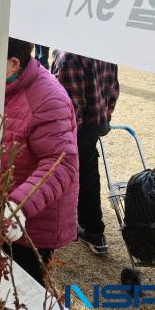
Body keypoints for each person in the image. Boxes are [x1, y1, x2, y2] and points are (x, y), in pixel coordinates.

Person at [0, 28, 79, 285]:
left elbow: (61, 163)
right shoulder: (3, 85)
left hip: (33, 218)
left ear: (14, 62)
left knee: (24, 288)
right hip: (4, 209)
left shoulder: (47, 99)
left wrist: (18, 205)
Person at [52, 52, 119, 255]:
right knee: (88, 175)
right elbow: (113, 91)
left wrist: (68, 134)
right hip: (95, 124)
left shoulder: (69, 56)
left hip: (76, 129)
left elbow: (70, 104)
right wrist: (105, 116)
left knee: (66, 176)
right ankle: (94, 230)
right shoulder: (103, 48)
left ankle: (81, 228)